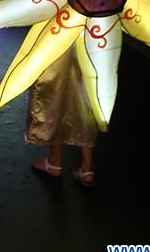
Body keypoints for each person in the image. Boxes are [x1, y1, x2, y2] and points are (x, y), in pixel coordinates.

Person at [25, 50, 98, 186]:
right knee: (85, 98)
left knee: (53, 93)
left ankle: (54, 162)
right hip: (90, 36)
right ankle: (87, 168)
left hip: (59, 35)